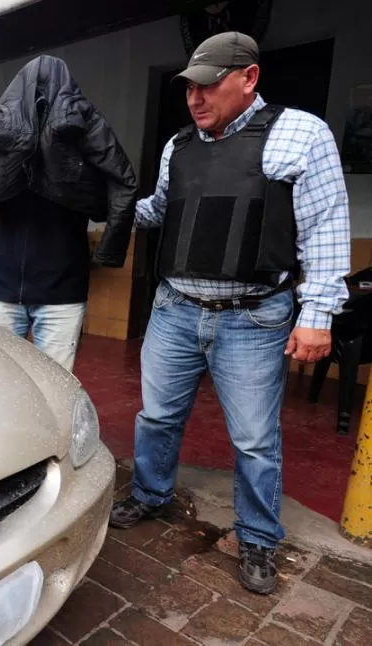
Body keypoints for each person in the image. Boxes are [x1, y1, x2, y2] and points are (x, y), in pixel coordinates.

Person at [108, 32, 352, 595]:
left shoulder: (302, 134)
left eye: (210, 84)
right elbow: (160, 211)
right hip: (174, 309)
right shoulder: (179, 145)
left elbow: (327, 231)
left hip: (254, 316)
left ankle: (258, 536)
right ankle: (149, 494)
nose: (196, 97)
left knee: (253, 439)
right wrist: (108, 203)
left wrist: (318, 315)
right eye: (190, 86)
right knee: (157, 419)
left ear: (249, 78)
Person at [0, 55, 138, 372]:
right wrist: (11, 170)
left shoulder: (83, 124)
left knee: (56, 389)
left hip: (61, 291)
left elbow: (121, 183)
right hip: (3, 286)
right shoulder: (2, 122)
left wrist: (109, 249)